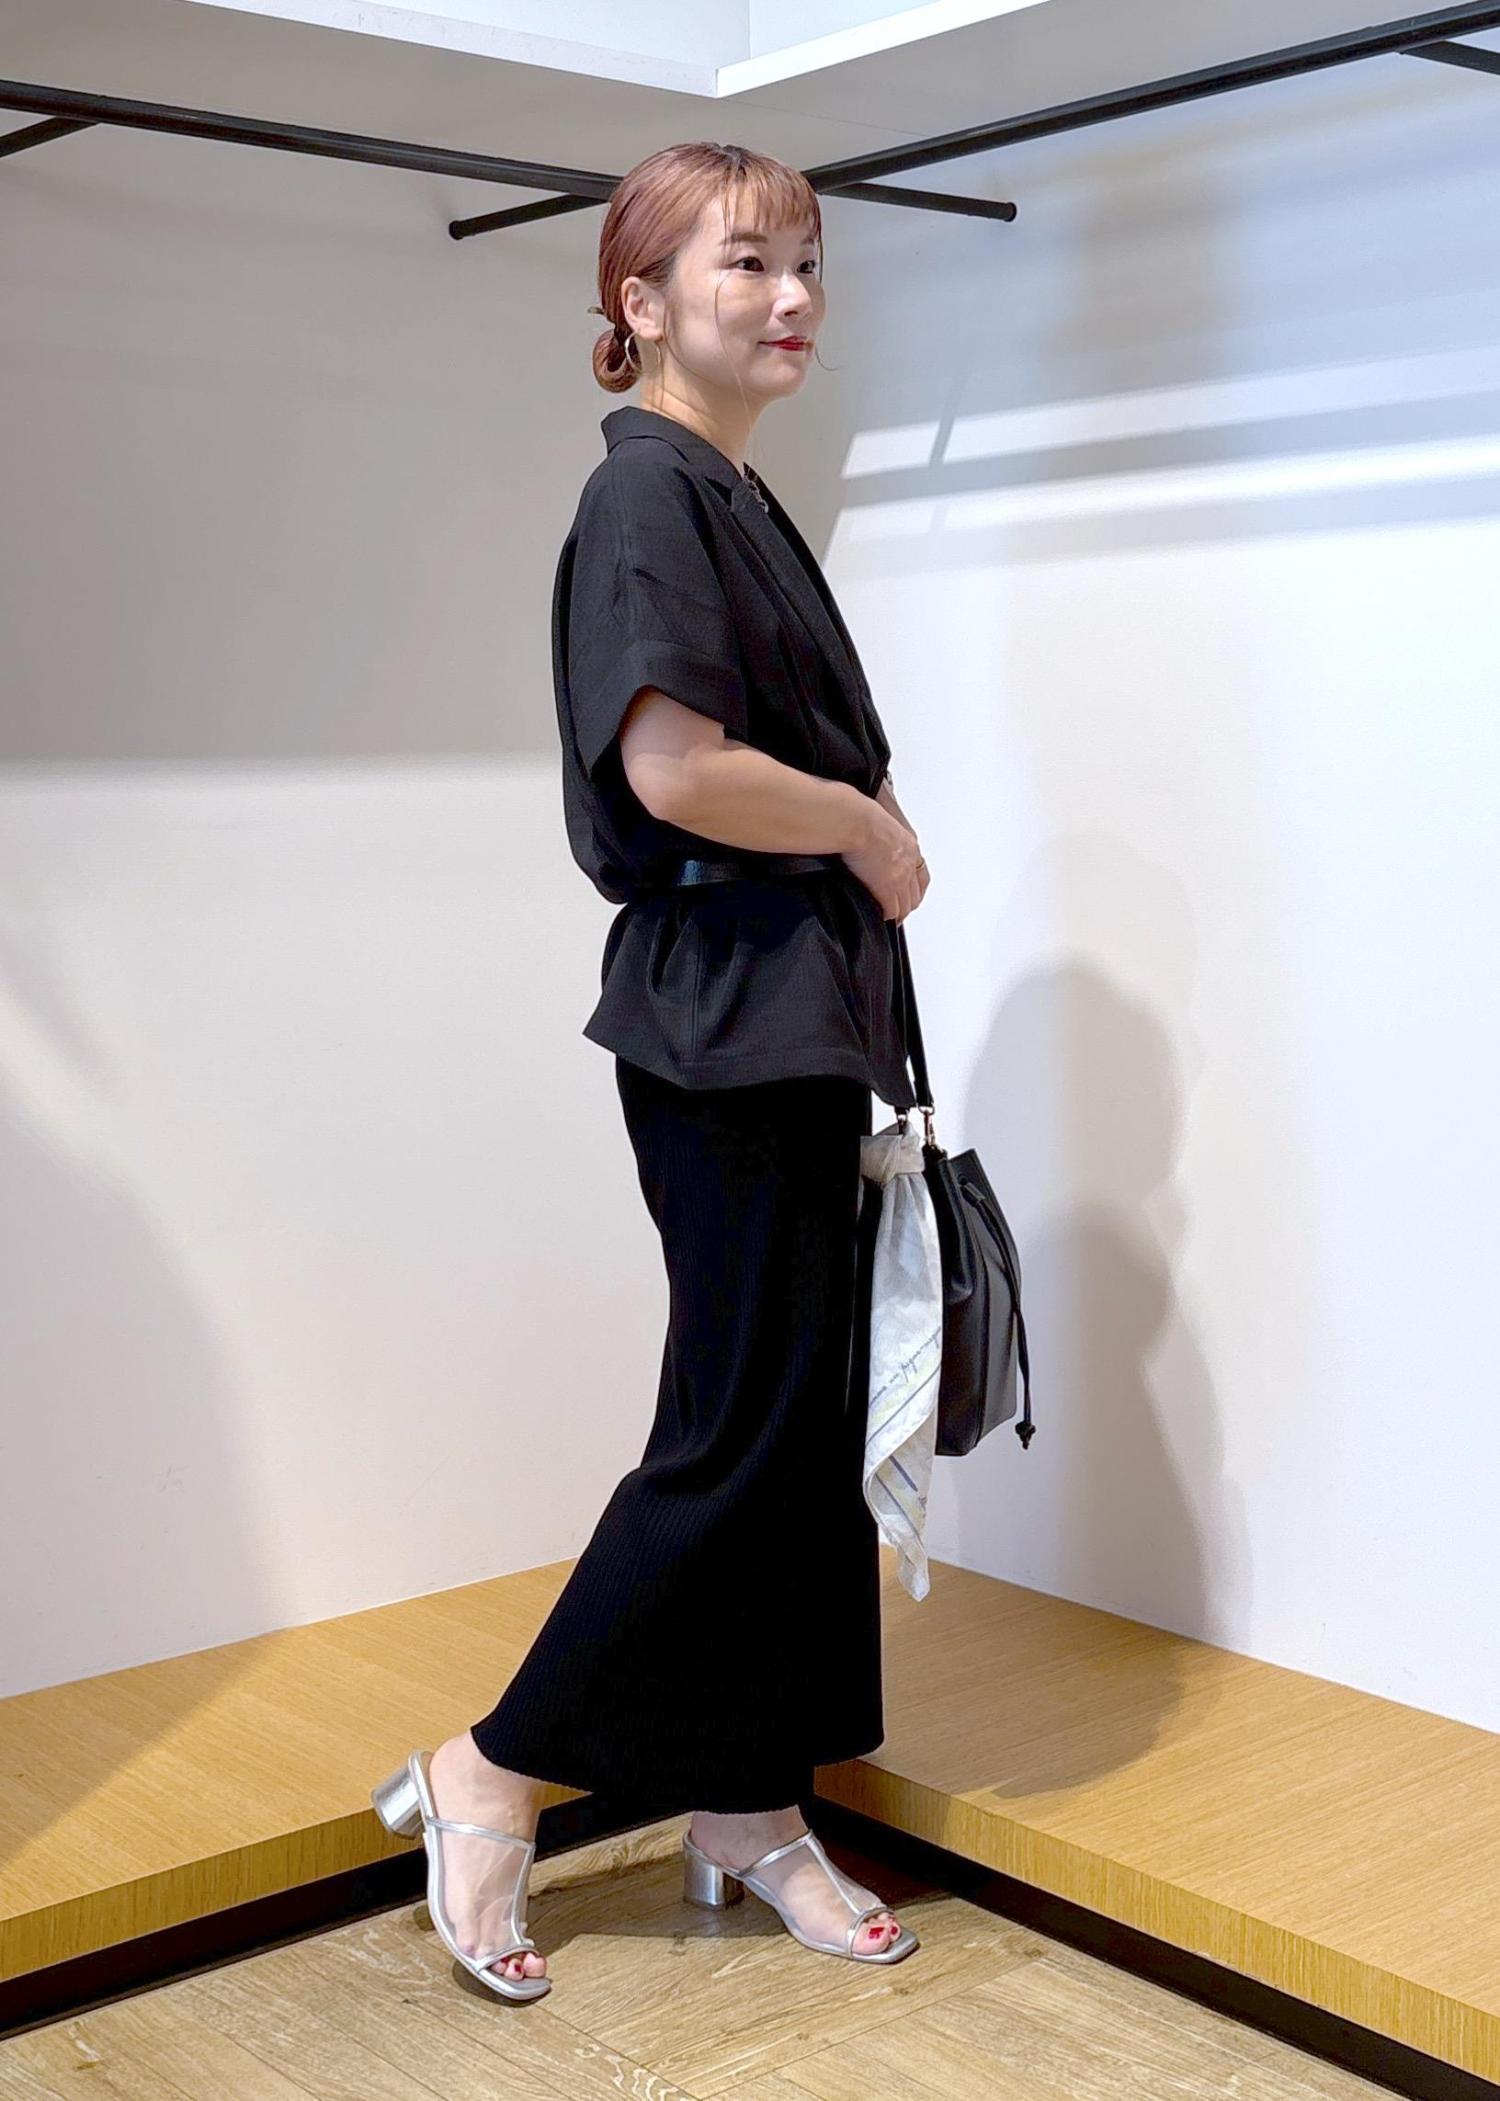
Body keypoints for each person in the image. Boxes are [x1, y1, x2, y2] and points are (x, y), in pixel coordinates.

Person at [375, 140, 931, 1998]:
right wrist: (863, 823)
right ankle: (494, 1767)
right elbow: (673, 766)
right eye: (744, 263)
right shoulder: (649, 497)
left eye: (807, 263)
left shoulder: (729, 493)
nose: (792, 296)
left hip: (785, 1013)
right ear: (641, 300)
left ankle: (749, 1802)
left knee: (791, 1447)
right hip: (725, 1016)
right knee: (739, 1436)